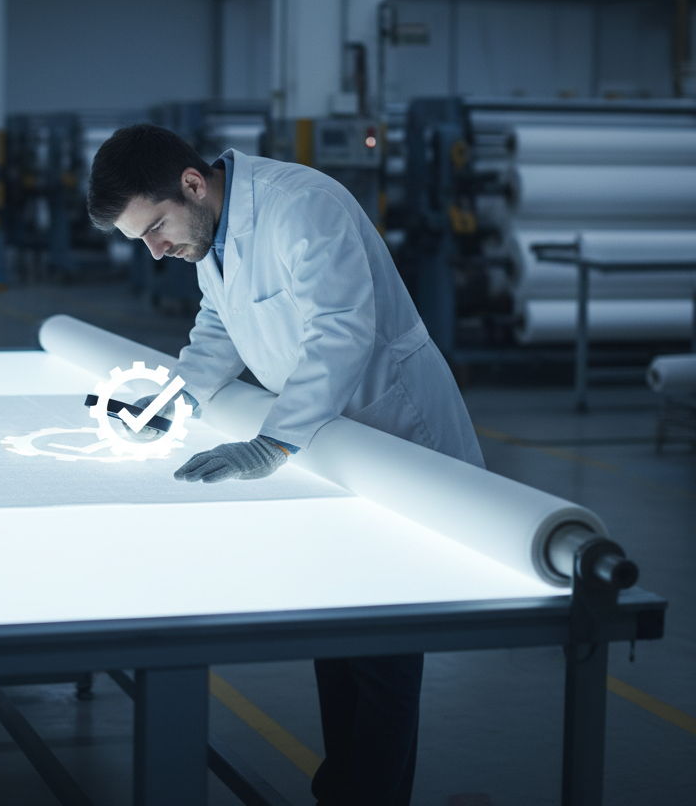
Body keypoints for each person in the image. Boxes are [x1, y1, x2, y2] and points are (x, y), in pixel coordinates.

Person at [87, 123, 484, 806]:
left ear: (190, 184)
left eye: (155, 229)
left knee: (384, 660)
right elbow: (221, 321)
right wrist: (174, 400)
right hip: (329, 447)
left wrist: (272, 443)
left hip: (392, 435)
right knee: (336, 635)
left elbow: (342, 329)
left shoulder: (301, 207)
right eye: (141, 241)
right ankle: (344, 789)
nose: (155, 252)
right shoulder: (211, 229)